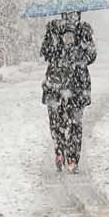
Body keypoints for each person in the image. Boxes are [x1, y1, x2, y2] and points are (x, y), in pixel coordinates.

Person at [41, 11, 97, 172]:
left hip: (68, 83)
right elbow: (46, 52)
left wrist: (74, 52)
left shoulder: (81, 31)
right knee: (63, 122)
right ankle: (65, 155)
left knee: (69, 122)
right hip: (64, 83)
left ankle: (68, 156)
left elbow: (91, 55)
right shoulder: (56, 30)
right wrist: (61, 47)